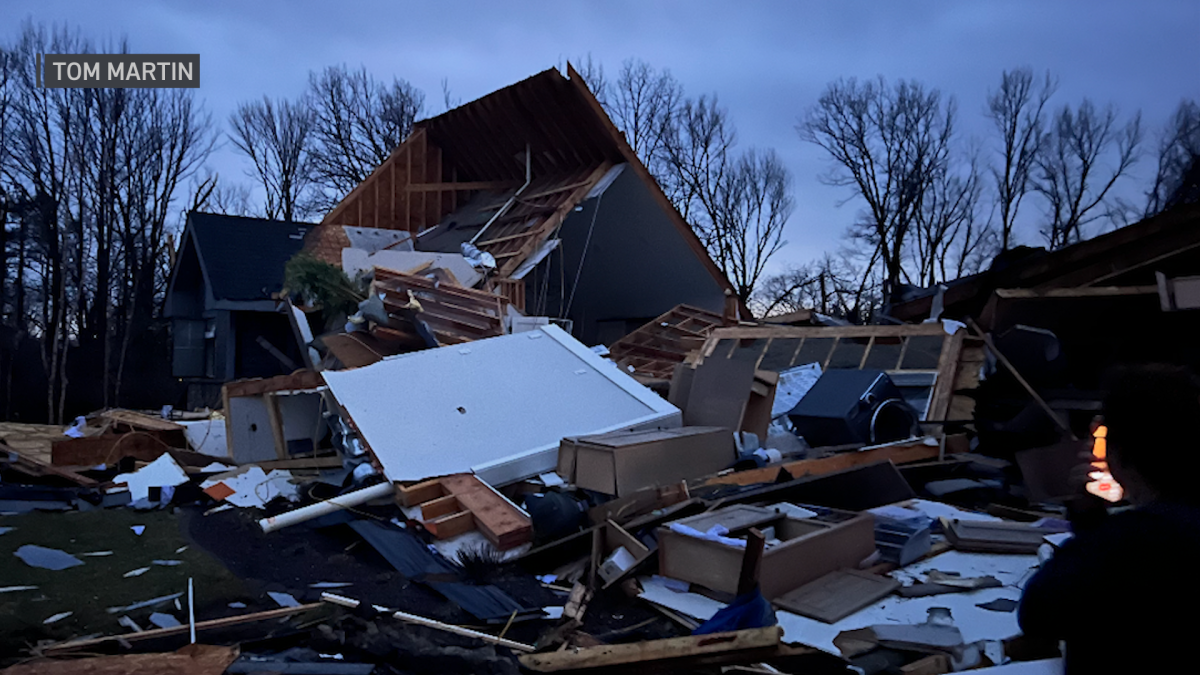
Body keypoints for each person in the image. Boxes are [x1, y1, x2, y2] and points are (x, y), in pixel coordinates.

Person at [1018, 365, 1200, 673]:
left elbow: (1039, 614)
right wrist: (1092, 522)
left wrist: (1092, 531)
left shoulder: (1132, 541)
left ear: (1117, 452)